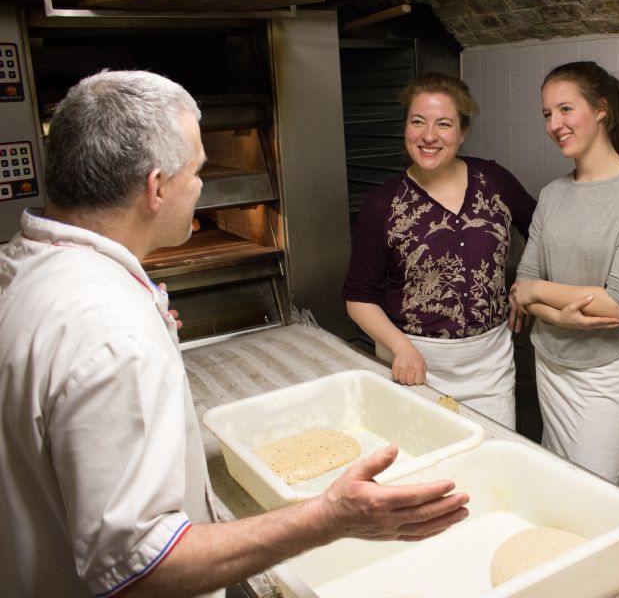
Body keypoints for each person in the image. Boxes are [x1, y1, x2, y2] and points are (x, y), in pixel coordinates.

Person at [0, 70, 469, 598]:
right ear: (156, 188)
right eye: (197, 171)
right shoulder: (111, 331)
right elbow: (139, 569)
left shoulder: (25, 264)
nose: (201, 186)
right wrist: (329, 518)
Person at [343, 72, 536, 429]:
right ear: (405, 127)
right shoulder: (382, 204)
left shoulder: (494, 181)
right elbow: (358, 297)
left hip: (489, 367)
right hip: (412, 364)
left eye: (443, 124)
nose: (429, 136)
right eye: (418, 122)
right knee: (425, 471)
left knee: (492, 465)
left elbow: (541, 232)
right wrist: (400, 348)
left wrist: (525, 285)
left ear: (462, 133)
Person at [510, 61, 619, 484]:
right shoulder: (553, 193)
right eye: (547, 114)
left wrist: (537, 293)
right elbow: (520, 280)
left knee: (595, 491)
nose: (554, 124)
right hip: (551, 359)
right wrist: (557, 314)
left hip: (608, 372)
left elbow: (617, 301)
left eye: (565, 109)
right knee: (556, 480)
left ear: (601, 110)